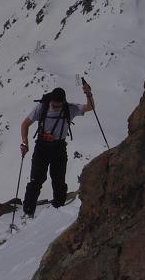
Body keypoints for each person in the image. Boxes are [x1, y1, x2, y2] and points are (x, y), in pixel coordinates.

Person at [19, 83, 94, 217]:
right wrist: (25, 143)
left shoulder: (70, 108)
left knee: (58, 180)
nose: (56, 107)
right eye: (53, 105)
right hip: (42, 146)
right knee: (36, 180)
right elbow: (25, 124)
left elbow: (90, 107)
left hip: (59, 147)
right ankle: (28, 212)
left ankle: (58, 209)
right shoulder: (42, 107)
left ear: (63, 102)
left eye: (58, 105)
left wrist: (88, 93)